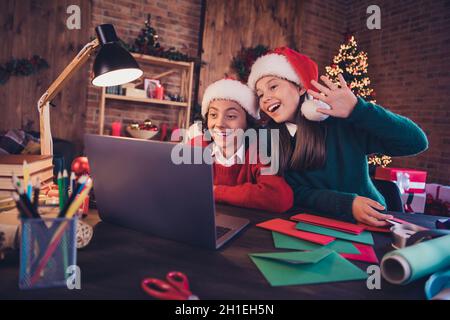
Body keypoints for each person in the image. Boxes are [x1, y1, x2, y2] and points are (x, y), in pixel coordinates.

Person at [247, 47, 428, 226]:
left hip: (370, 225)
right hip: (309, 225)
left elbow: (415, 142)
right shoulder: (267, 139)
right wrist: (345, 204)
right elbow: (288, 192)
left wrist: (359, 109)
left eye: (273, 86)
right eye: (260, 94)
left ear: (301, 87)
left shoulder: (340, 123)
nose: (265, 98)